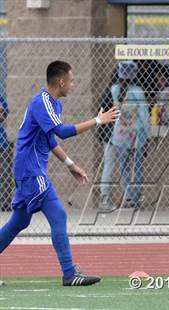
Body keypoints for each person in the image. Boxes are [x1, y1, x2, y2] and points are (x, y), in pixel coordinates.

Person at [0, 61, 119, 286]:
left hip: (30, 169)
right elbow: (63, 132)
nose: (73, 85)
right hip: (31, 170)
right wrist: (97, 120)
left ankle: (69, 272)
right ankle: (69, 273)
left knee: (18, 222)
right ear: (61, 81)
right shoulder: (42, 102)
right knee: (59, 215)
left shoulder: (54, 104)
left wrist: (70, 164)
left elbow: (49, 139)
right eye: (72, 81)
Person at [99, 61, 150, 210]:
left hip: (119, 134)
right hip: (136, 134)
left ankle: (127, 196)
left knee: (124, 167)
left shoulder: (114, 89)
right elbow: (144, 116)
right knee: (137, 166)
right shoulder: (138, 92)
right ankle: (136, 197)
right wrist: (146, 136)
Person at [0, 95, 13, 212]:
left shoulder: (0, 98)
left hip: (2, 143)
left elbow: (3, 116)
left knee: (4, 174)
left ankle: (4, 203)